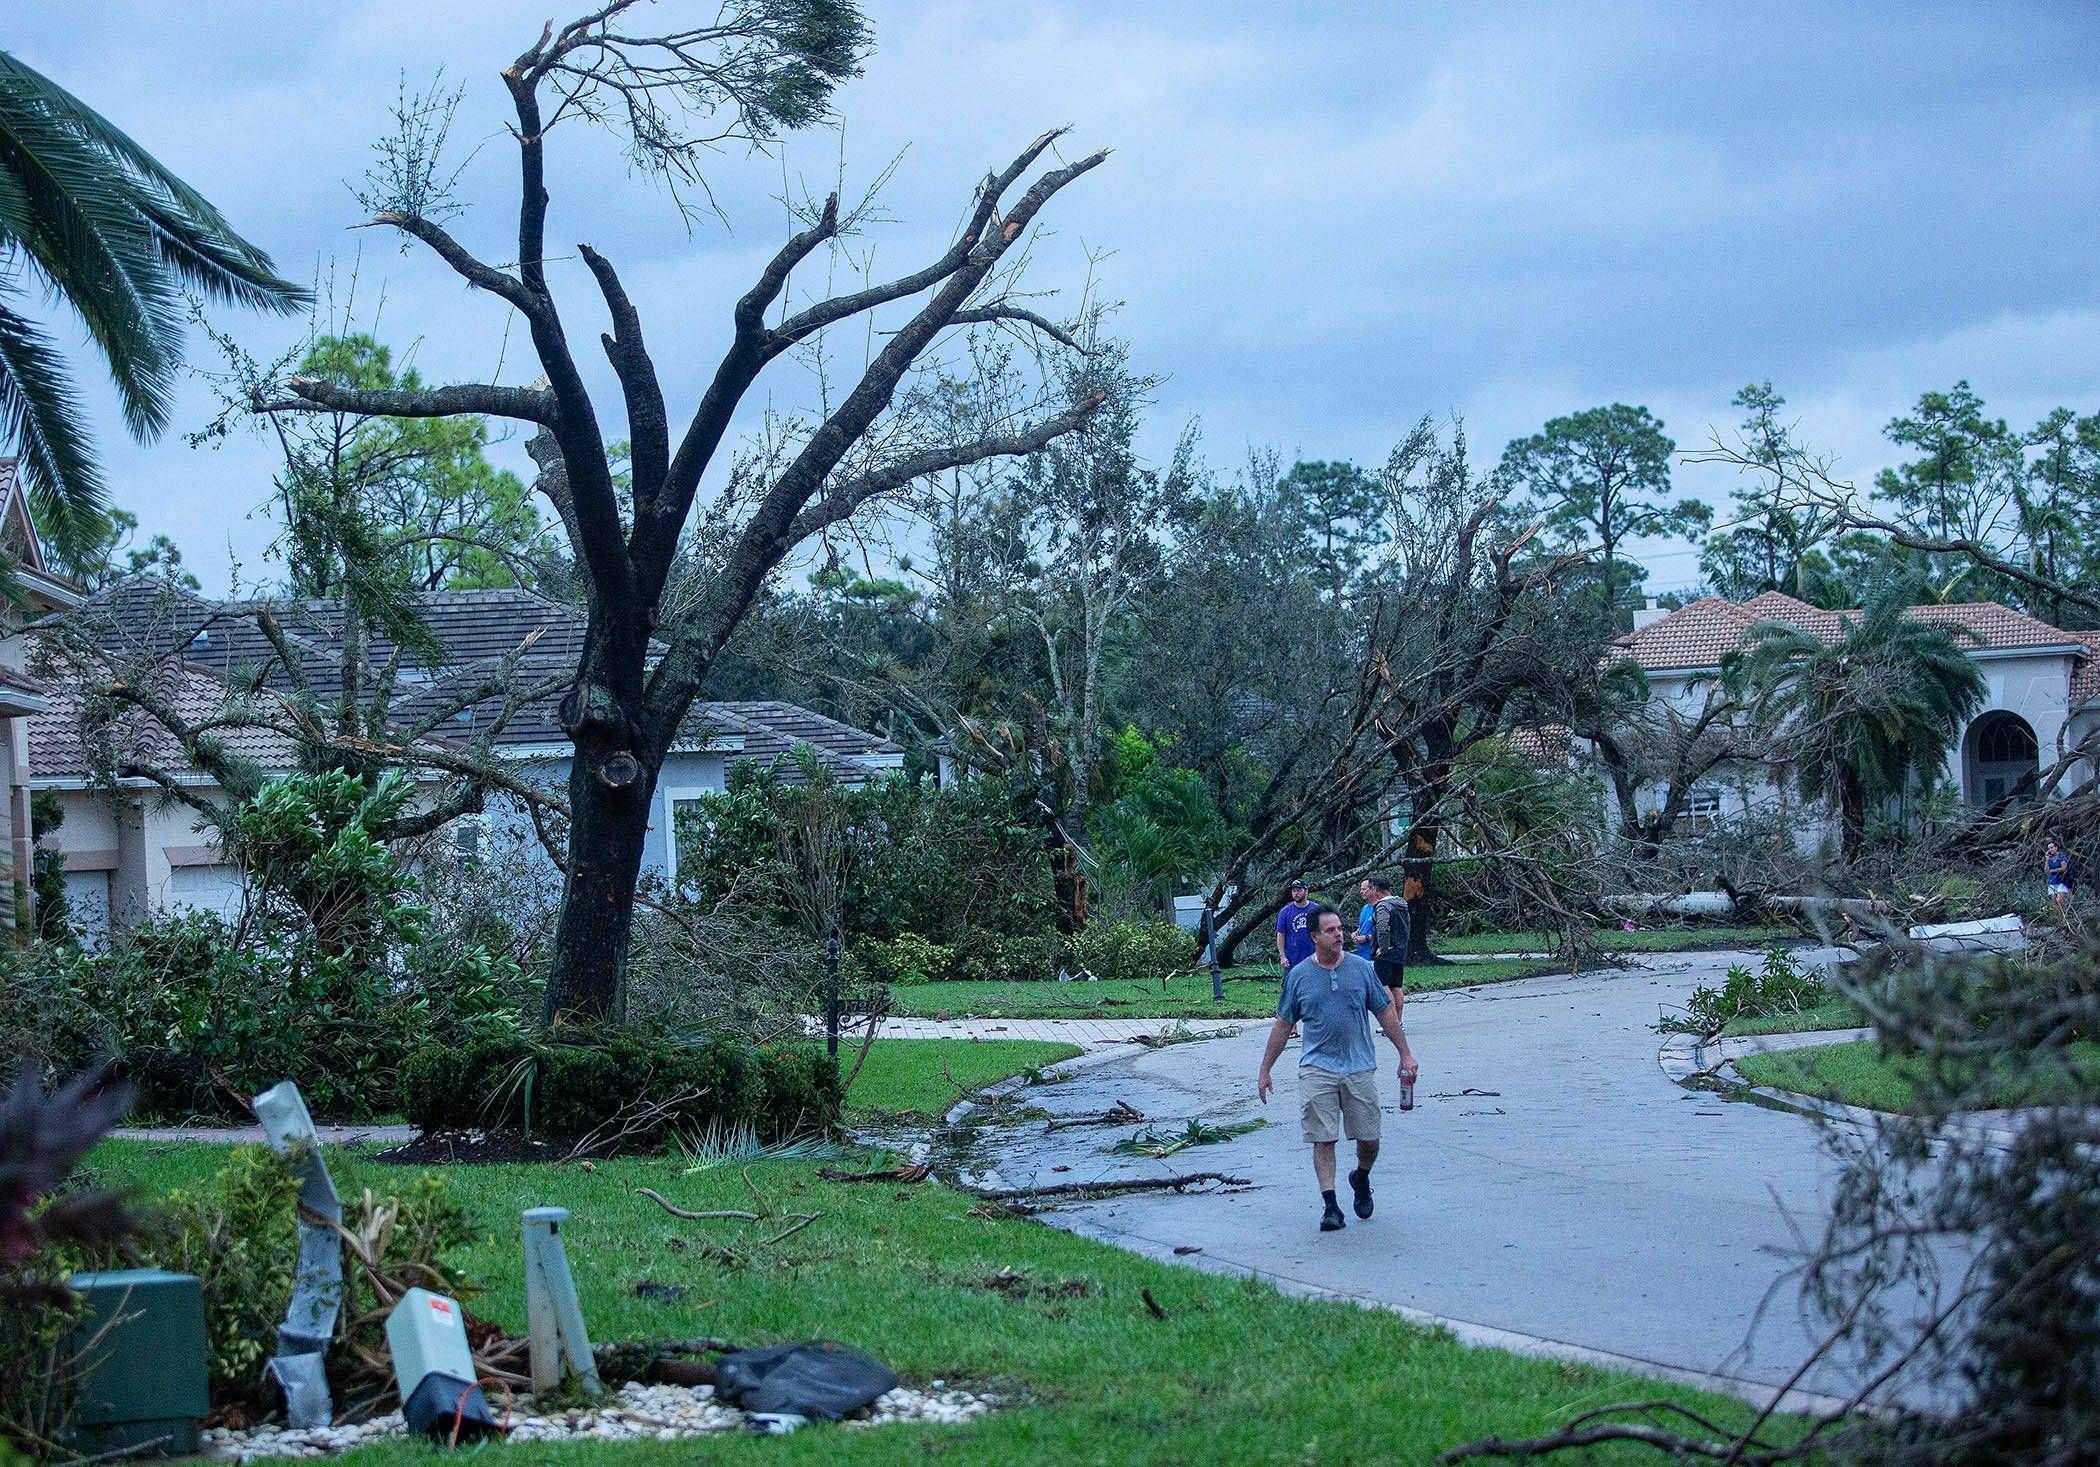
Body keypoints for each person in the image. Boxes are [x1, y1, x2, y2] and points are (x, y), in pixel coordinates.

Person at [1257, 905, 1420, 1232]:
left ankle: (1360, 1176)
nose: (1338, 934)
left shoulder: (1361, 969)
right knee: (1323, 1138)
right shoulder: (1299, 976)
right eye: (1330, 930)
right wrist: (1265, 1070)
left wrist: (1405, 1054)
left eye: (1339, 929)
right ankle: (1330, 1205)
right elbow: (1282, 1025)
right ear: (1314, 937)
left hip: (1359, 1067)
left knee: (1370, 1138)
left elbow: (1385, 1013)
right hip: (1317, 1068)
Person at [1366, 874, 1409, 1001]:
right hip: (1400, 951)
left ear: (1375, 889)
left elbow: (1382, 927)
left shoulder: (1383, 906)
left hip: (1386, 954)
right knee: (1396, 987)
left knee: (1383, 986)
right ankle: (1398, 1021)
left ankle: (1390, 1019)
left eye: (1369, 888)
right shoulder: (1402, 904)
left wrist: (1383, 948)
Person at [1274, 879, 1316, 975]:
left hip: (1313, 957)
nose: (1296, 893)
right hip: (1291, 959)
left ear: (1306, 891)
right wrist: (1282, 956)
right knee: (1289, 987)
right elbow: (1281, 935)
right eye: (1294, 891)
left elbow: (1323, 932)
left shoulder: (1316, 909)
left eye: (1299, 890)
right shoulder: (1285, 912)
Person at [2046, 840, 2076, 914]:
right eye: (2049, 848)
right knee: (2054, 903)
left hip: (2062, 880)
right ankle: (2058, 920)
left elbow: (2064, 868)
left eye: (2052, 847)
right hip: (2052, 881)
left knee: (2059, 901)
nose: (2050, 849)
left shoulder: (2061, 856)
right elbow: (2046, 870)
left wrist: (2053, 870)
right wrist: (2047, 860)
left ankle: (2063, 918)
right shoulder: (2050, 858)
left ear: (2056, 847)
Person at [1353, 878, 1375, 957]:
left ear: (1373, 889)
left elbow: (1385, 934)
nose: (1361, 892)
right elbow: (1362, 926)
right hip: (1361, 954)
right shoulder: (1365, 908)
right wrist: (1356, 932)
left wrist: (1366, 938)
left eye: (1363, 889)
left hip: (1373, 954)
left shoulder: (1380, 909)